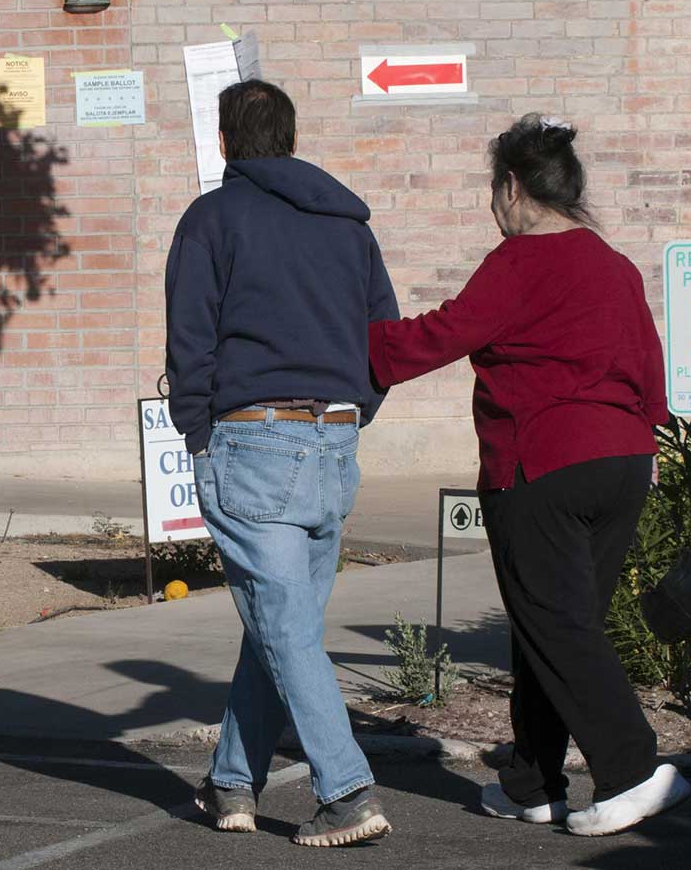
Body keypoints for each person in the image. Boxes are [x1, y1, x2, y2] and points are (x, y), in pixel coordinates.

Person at [367, 113, 691, 837]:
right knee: (553, 625)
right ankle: (532, 782)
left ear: (512, 187)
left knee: (557, 625)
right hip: (623, 460)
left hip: (543, 463)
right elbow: (649, 363)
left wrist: (360, 346)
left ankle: (634, 771)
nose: (493, 207)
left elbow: (444, 332)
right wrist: (647, 437)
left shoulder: (517, 262)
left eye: (493, 192)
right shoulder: (613, 263)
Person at [164, 78, 400, 847]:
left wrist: (196, 431)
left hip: (252, 440)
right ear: (294, 142)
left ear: (224, 144)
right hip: (333, 443)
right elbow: (384, 336)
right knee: (281, 622)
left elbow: (190, 339)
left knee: (286, 629)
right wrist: (355, 409)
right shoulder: (349, 227)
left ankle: (347, 789)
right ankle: (232, 780)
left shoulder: (211, 219)